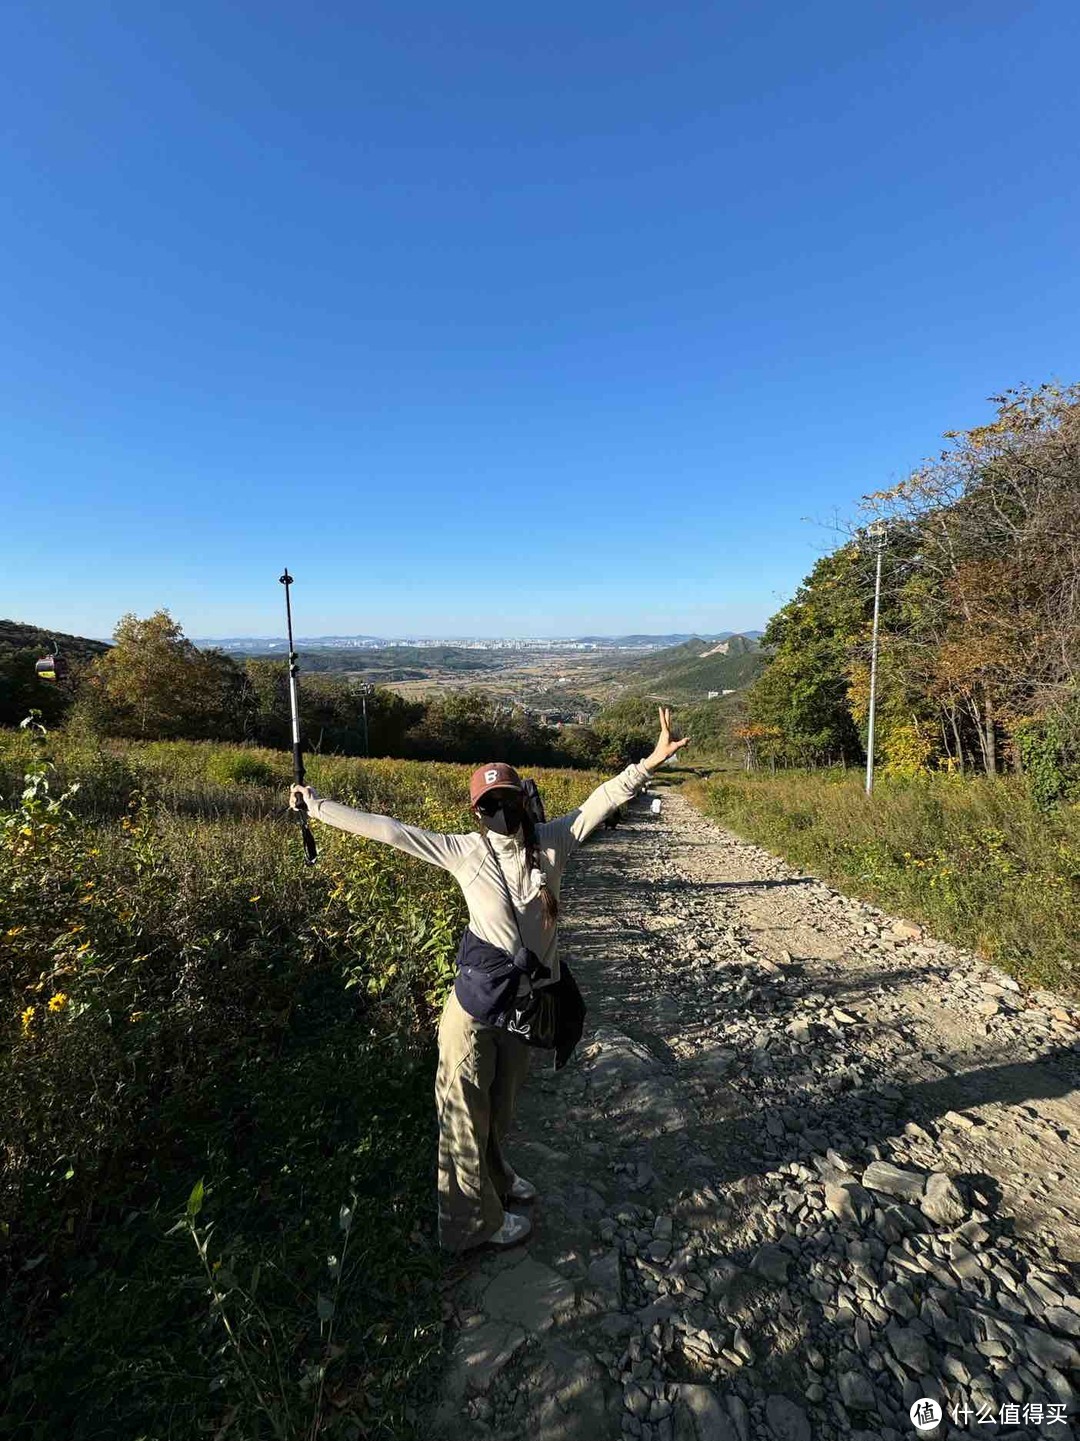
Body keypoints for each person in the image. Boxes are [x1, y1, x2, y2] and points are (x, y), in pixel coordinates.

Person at [290, 706, 689, 1252]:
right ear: (477, 812)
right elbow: (390, 832)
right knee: (462, 1117)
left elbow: (601, 800)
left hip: (522, 1011)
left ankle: (498, 1182)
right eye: (488, 805)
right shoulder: (463, 852)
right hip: (476, 1012)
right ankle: (469, 1224)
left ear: (522, 800)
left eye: (505, 800)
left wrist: (650, 761)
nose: (499, 810)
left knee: (500, 1112)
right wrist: (316, 806)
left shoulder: (552, 842)